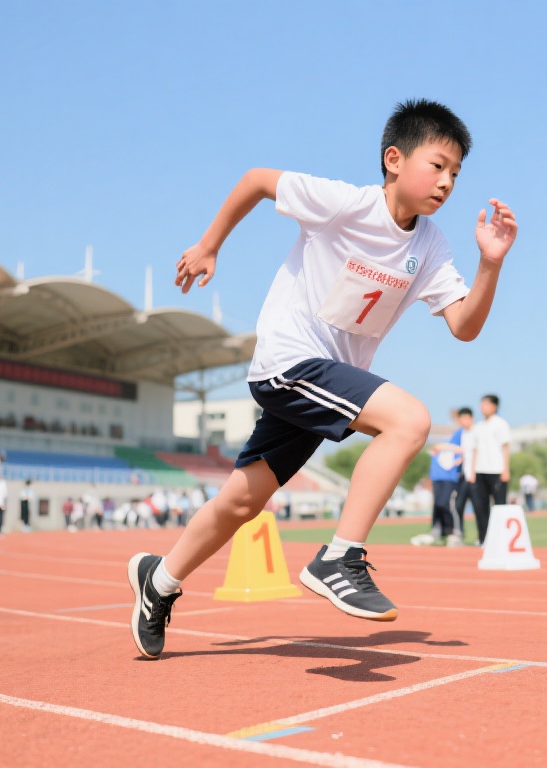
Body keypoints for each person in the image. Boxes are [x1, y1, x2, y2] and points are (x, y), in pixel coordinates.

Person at [127, 98, 517, 659]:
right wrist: (211, 244)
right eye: (437, 165)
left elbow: (464, 325)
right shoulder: (346, 205)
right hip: (290, 363)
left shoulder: (429, 244)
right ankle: (340, 556)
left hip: (327, 383)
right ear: (393, 160)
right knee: (409, 421)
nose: (447, 182)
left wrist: (490, 264)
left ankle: (158, 582)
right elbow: (258, 180)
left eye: (457, 172)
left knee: (244, 501)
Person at [468, 394, 511, 546]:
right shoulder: (478, 427)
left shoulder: (501, 424)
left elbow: (505, 447)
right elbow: (474, 451)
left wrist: (506, 470)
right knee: (480, 508)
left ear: (494, 406)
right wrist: (472, 472)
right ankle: (484, 539)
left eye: (485, 404)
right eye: (481, 404)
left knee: (499, 508)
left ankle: (502, 540)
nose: (482, 407)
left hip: (497, 471)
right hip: (480, 471)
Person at [412, 428, 464, 547]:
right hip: (437, 479)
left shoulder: (457, 444)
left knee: (445, 503)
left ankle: (452, 531)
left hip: (449, 479)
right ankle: (438, 531)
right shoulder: (438, 447)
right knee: (437, 505)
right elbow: (434, 449)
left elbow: (463, 450)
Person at [452, 407, 476, 541]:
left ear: (469, 418)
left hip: (475, 475)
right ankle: (460, 531)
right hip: (463, 475)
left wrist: (474, 472)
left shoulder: (477, 432)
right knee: (458, 504)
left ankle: (483, 537)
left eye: (462, 419)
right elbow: (464, 451)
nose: (461, 422)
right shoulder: (462, 434)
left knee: (479, 507)